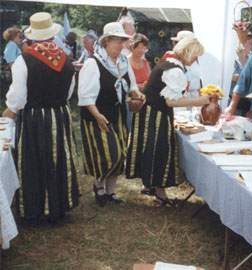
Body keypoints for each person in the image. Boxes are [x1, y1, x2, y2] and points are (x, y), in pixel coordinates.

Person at [2, 12, 79, 225]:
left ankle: (35, 210)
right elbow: (69, 93)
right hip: (59, 114)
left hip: (35, 118)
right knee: (58, 158)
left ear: (32, 36)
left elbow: (17, 99)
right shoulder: (67, 60)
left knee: (33, 159)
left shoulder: (23, 60)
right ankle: (58, 206)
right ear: (52, 35)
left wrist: (8, 113)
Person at [126, 37, 210, 206]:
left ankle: (152, 187)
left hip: (150, 112)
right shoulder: (174, 70)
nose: (196, 60)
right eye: (195, 56)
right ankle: (160, 193)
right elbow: (170, 101)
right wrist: (200, 101)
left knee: (152, 150)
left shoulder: (169, 62)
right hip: (156, 114)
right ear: (188, 53)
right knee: (159, 151)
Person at [78, 21, 142, 207]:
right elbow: (85, 95)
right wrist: (97, 116)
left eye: (122, 41)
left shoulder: (123, 62)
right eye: (117, 41)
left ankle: (110, 192)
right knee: (108, 155)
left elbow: (132, 86)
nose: (121, 45)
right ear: (106, 41)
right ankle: (98, 186)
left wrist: (136, 93)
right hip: (98, 116)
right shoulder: (93, 63)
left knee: (121, 155)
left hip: (118, 114)